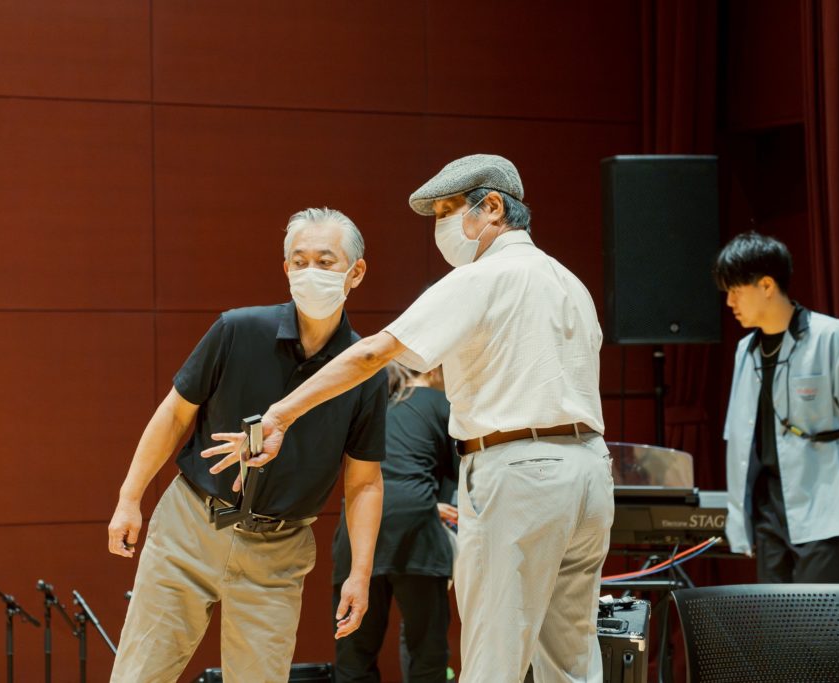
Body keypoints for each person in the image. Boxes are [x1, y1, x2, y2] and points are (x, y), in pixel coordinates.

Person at [204, 154, 614, 683]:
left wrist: (281, 413)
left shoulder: (482, 277)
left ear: (492, 207)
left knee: (493, 660)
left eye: (447, 212)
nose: (441, 229)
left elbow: (375, 353)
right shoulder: (570, 283)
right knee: (572, 660)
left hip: (520, 475)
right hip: (590, 475)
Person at [107, 208, 388, 683]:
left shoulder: (363, 369)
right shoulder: (237, 329)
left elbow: (364, 481)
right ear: (286, 269)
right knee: (139, 674)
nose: (310, 272)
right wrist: (129, 498)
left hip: (279, 549)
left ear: (355, 272)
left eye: (325, 261)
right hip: (190, 525)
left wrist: (360, 575)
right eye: (299, 261)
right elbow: (175, 413)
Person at [714, 232, 839, 583]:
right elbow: (741, 438)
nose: (730, 302)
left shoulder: (832, 337)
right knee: (773, 616)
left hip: (824, 504)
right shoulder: (745, 351)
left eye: (736, 291)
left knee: (817, 613)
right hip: (769, 511)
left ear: (766, 285)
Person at [332, 362, 457, 683]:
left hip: (357, 529)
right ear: (432, 369)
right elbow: (464, 473)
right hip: (417, 527)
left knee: (353, 655)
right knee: (427, 654)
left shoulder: (369, 406)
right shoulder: (441, 403)